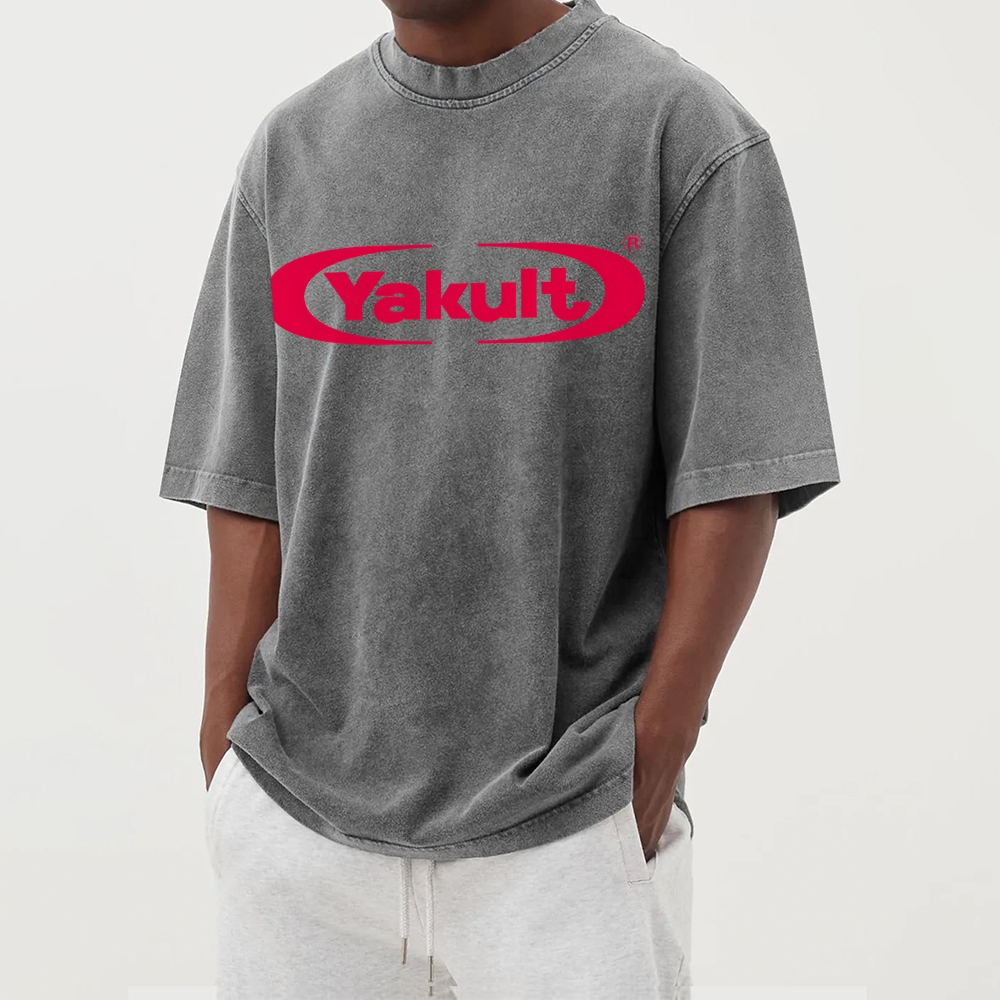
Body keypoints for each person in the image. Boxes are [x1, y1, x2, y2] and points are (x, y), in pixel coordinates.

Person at [158, 0, 840, 996]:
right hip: (299, 827)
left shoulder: (678, 130)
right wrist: (226, 749)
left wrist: (657, 745)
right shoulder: (294, 148)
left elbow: (734, 465)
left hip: (569, 828)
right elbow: (246, 471)